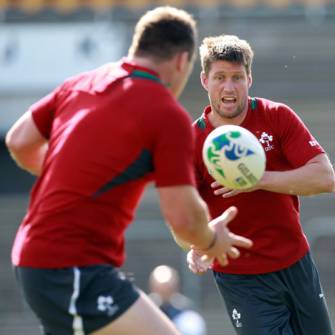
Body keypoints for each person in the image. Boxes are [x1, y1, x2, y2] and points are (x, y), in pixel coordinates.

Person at [5, 7, 253, 335]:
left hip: (39, 257)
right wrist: (211, 241)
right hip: (71, 266)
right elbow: (182, 217)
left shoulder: (82, 82)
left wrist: (71, 173)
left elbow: (19, 141)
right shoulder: (165, 114)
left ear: (137, 48)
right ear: (181, 61)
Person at [187, 34, 335, 335]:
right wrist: (197, 242)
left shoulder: (276, 116)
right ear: (204, 80)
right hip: (242, 280)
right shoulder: (191, 142)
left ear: (249, 78)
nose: (229, 87)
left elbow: (325, 178)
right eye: (220, 77)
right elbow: (181, 212)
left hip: (296, 264)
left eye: (237, 77)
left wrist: (257, 180)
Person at [149, 265, 207, 335]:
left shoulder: (188, 315)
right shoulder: (145, 310)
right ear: (153, 287)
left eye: (168, 287)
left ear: (175, 287)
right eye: (160, 288)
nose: (164, 291)